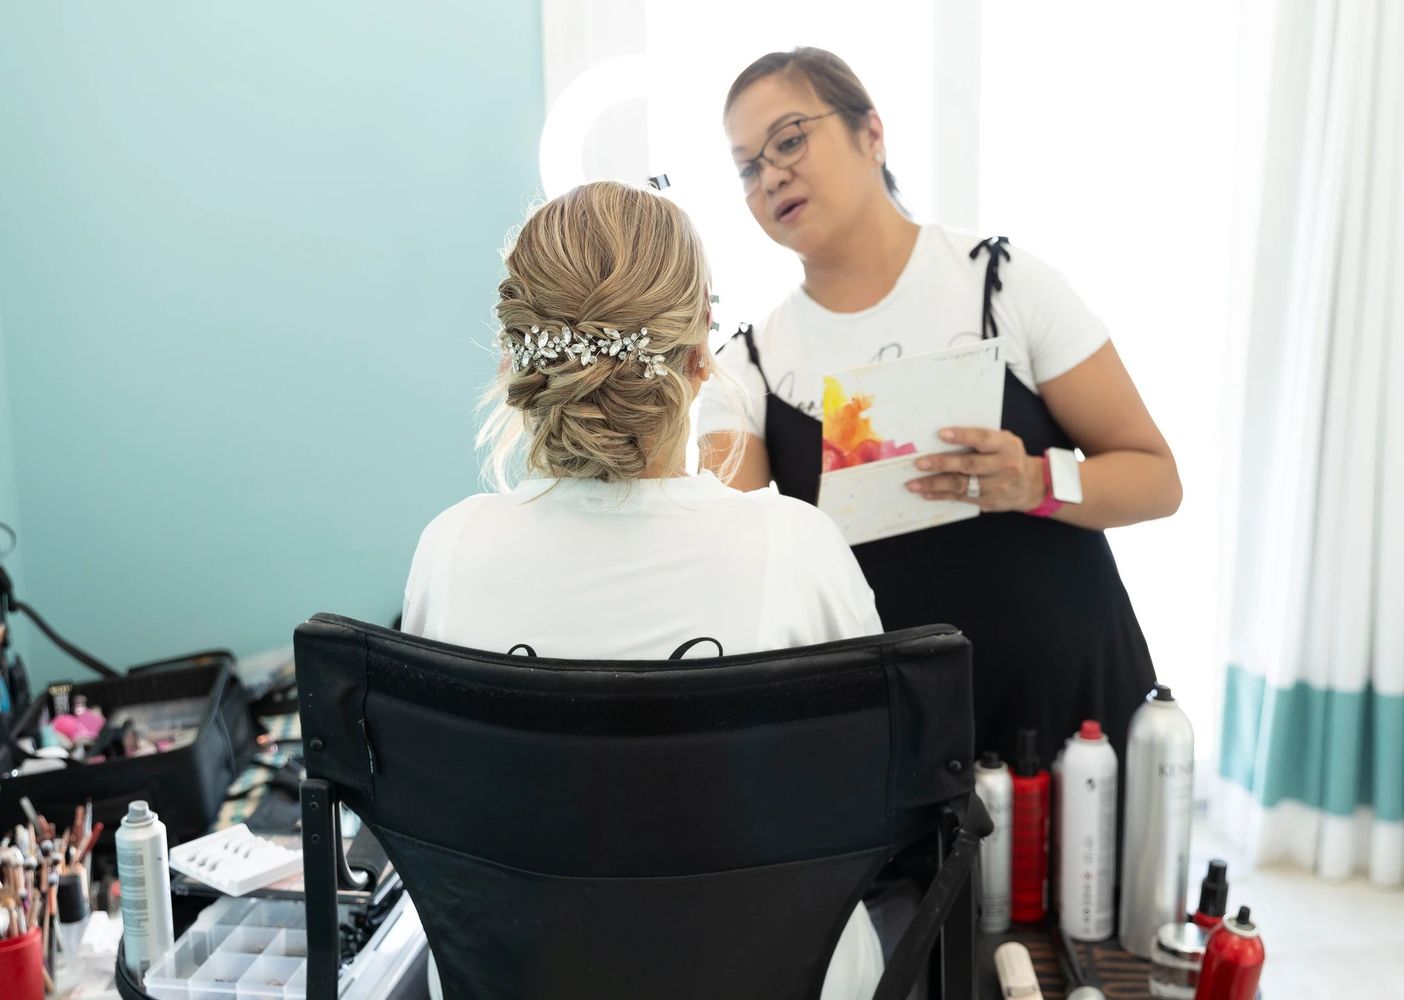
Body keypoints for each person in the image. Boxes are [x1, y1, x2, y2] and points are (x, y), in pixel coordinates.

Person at [402, 180, 885, 1000]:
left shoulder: (452, 550)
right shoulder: (796, 548)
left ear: (515, 356)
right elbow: (878, 793)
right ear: (703, 355)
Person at [701, 47, 1182, 774]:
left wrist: (1036, 483)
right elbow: (725, 566)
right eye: (747, 166)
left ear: (872, 133)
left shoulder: (1006, 284)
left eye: (790, 139)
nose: (770, 175)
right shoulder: (745, 369)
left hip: (1074, 720)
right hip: (890, 742)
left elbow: (1156, 479)